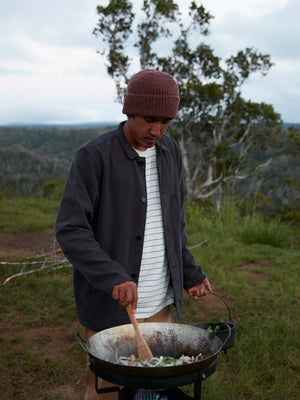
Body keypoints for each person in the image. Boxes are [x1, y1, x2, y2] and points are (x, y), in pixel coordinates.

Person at [55, 69, 212, 400]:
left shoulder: (171, 153)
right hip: (112, 308)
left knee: (153, 387)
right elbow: (71, 229)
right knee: (105, 391)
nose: (157, 131)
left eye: (166, 122)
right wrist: (113, 277)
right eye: (149, 119)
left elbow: (174, 225)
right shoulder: (93, 157)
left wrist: (190, 272)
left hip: (160, 304)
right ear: (128, 111)